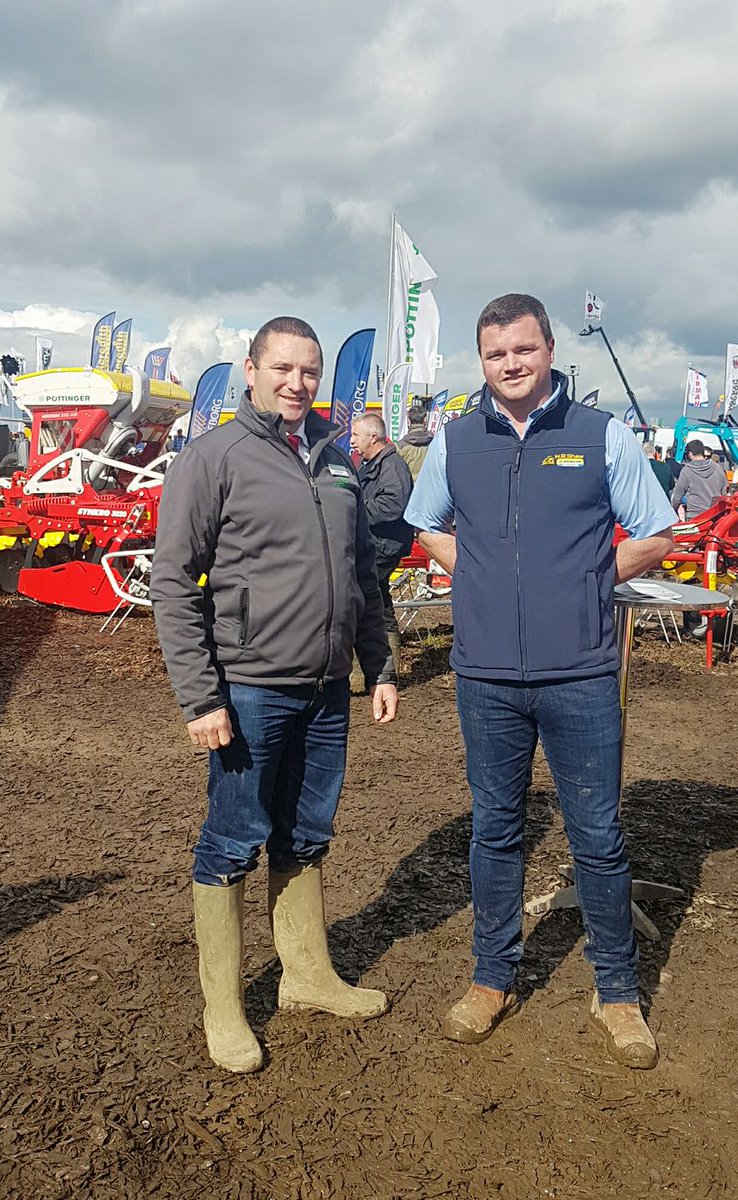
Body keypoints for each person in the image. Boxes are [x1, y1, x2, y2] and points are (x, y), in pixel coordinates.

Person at [405, 293, 675, 1068]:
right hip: (486, 676)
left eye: (524, 350)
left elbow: (656, 532)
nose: (511, 365)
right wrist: (476, 577)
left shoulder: (600, 435)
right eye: (496, 354)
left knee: (596, 833)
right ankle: (492, 979)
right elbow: (425, 523)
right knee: (495, 829)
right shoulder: (456, 441)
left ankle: (617, 994)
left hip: (582, 673)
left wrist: (592, 579)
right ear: (481, 361)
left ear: (549, 349)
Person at [151, 316, 398, 1075]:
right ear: (251, 369)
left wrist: (379, 665)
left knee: (308, 832)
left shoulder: (336, 458)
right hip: (249, 688)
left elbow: (363, 574)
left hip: (328, 690)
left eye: (311, 370)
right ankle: (222, 1005)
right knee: (232, 839)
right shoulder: (213, 457)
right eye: (283, 368)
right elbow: (171, 584)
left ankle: (306, 975)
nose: (298, 383)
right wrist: (201, 699)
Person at [349, 412, 414, 681]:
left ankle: (375, 673)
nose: (351, 440)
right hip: (374, 544)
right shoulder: (369, 463)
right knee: (377, 601)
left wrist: (355, 510)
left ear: (373, 437)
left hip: (384, 546)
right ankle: (380, 672)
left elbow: (393, 506)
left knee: (365, 601)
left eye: (355, 435)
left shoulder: (392, 466)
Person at [671, 439, 729, 521]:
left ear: (690, 454)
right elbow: (724, 493)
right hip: (714, 515)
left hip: (694, 515)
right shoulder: (718, 468)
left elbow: (677, 497)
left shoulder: (687, 471)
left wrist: (676, 508)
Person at [396, 405, 434, 481]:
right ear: (425, 420)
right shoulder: (435, 443)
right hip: (430, 488)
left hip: (410, 489)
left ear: (408, 421)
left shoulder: (400, 447)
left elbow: (397, 474)